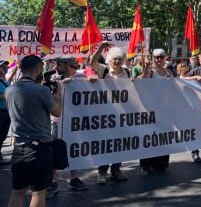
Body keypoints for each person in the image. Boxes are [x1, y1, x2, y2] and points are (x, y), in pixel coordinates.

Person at [6, 55, 62, 207]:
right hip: (39, 148)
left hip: (19, 148)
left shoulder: (9, 90)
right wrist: (58, 96)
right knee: (39, 192)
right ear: (38, 68)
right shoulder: (41, 90)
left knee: (18, 191)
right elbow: (57, 112)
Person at [46, 56, 88, 199]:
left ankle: (74, 178)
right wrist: (58, 84)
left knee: (74, 148)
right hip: (57, 120)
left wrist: (93, 80)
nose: (56, 66)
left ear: (68, 64)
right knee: (55, 150)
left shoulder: (82, 78)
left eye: (59, 63)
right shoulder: (53, 78)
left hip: (75, 121)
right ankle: (53, 182)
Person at [89, 42, 129, 184]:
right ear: (109, 59)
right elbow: (92, 61)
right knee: (105, 143)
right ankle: (102, 172)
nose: (117, 61)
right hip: (104, 115)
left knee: (119, 143)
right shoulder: (103, 70)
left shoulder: (127, 72)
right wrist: (100, 47)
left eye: (119, 59)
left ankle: (116, 169)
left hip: (121, 115)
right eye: (114, 59)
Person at [0, 60, 11, 164]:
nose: (5, 68)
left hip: (7, 112)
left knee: (3, 135)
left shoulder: (6, 81)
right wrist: (7, 94)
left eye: (6, 66)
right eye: (3, 66)